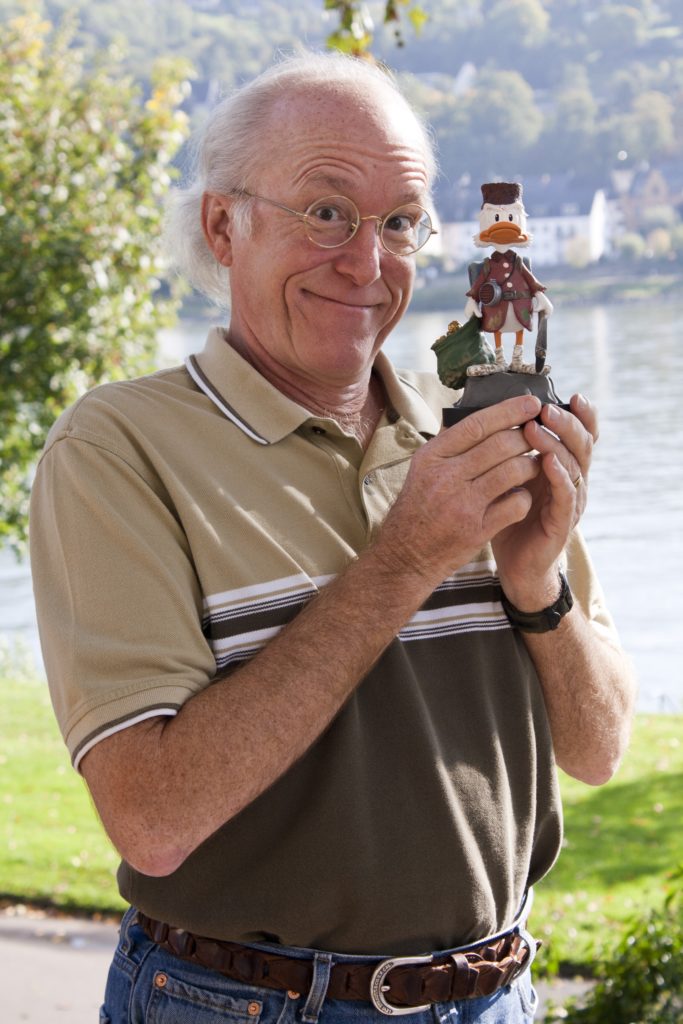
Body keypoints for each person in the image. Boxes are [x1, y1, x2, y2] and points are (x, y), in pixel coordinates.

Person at [30, 51, 636, 1024]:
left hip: (495, 996)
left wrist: (535, 588)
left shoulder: (475, 432)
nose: (366, 262)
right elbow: (152, 817)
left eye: (398, 222)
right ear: (222, 226)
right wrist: (405, 559)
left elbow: (599, 751)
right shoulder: (116, 448)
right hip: (243, 1003)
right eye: (326, 212)